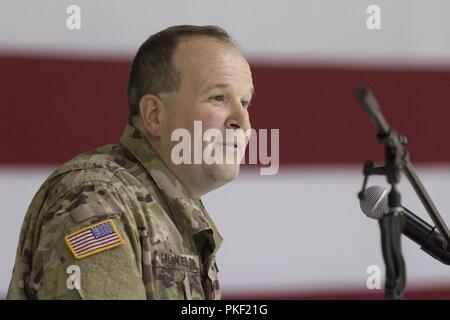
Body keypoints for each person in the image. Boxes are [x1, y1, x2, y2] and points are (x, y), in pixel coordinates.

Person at [7, 25, 254, 300]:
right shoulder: (95, 198)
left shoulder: (171, 208)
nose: (242, 122)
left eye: (245, 103)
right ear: (154, 115)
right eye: (218, 98)